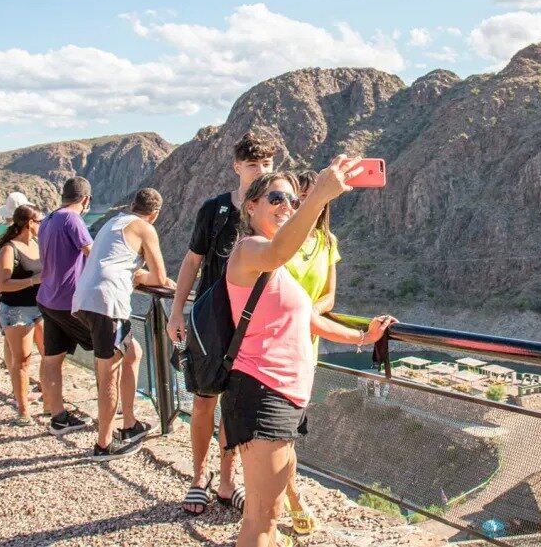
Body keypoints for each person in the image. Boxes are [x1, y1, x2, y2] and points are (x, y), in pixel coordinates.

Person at [223, 162, 396, 547]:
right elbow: (283, 248)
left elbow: (308, 320)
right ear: (250, 207)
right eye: (276, 198)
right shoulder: (250, 251)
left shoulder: (278, 271)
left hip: (282, 393)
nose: (286, 204)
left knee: (269, 513)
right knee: (262, 521)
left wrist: (362, 338)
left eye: (291, 198)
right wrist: (319, 194)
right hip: (261, 392)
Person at [167, 131, 276, 514]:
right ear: (237, 167)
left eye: (267, 164)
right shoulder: (215, 210)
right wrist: (177, 310)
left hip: (254, 327)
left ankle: (228, 482)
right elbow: (192, 261)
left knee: (234, 407)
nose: (261, 171)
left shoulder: (272, 213)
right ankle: (199, 478)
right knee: (203, 402)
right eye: (253, 165)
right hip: (213, 323)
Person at [73, 188, 176, 459]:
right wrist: (140, 277)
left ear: (133, 205)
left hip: (84, 298)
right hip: (108, 304)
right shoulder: (144, 228)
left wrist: (135, 274)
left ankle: (130, 423)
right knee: (110, 373)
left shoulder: (113, 222)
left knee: (134, 354)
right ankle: (104, 444)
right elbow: (161, 278)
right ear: (155, 214)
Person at [281, 169, 341, 535]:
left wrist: (306, 314)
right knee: (278, 432)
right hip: (271, 346)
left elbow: (330, 296)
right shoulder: (279, 239)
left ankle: (276, 497)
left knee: (287, 431)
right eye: (296, 198)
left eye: (309, 196)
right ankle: (289, 497)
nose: (302, 203)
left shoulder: (329, 241)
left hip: (306, 348)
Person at [37, 176, 96, 436]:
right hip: (68, 300)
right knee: (115, 351)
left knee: (53, 359)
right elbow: (91, 252)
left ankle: (58, 415)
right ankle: (115, 416)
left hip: (47, 298)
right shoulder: (73, 219)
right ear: (85, 199)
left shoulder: (47, 220)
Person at [0, 204, 44, 426]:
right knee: (22, 360)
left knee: (50, 354)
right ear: (30, 223)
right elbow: (2, 285)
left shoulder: (37, 245)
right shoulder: (9, 249)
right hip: (16, 311)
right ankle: (23, 410)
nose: (42, 225)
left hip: (40, 308)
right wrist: (33, 281)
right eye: (39, 221)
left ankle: (51, 404)